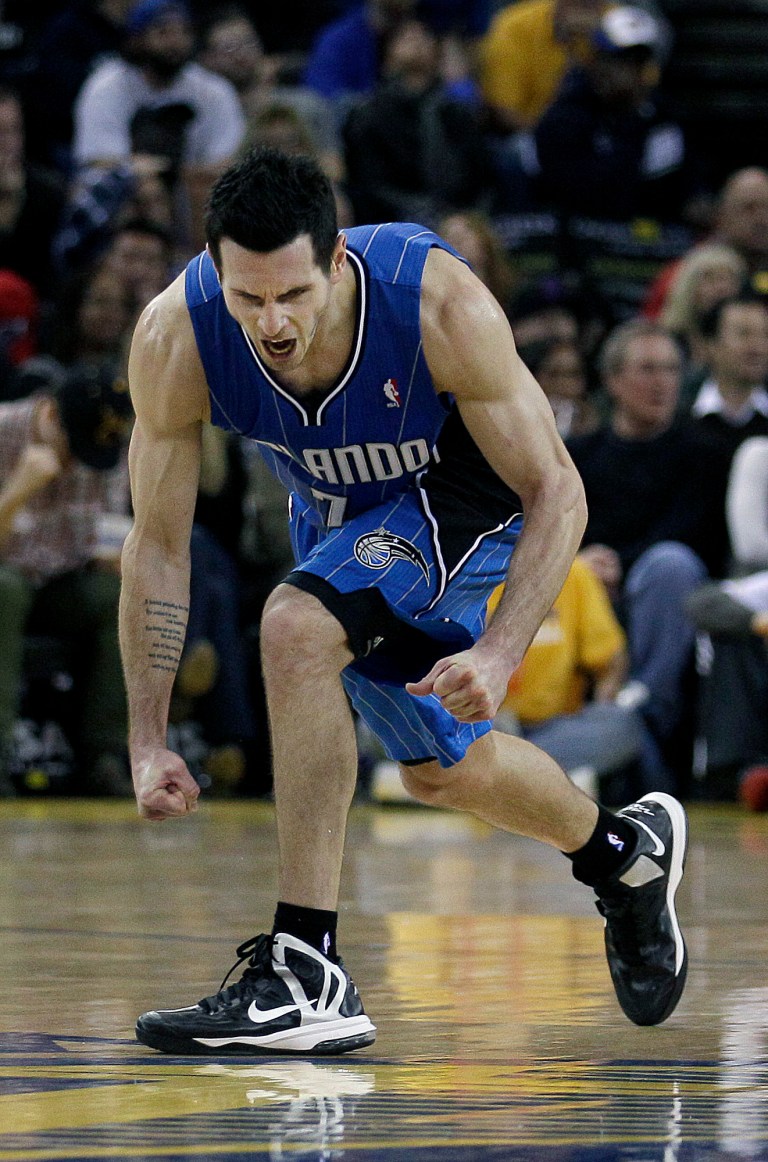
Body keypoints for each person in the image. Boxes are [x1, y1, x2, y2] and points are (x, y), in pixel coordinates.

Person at [120, 146, 689, 1056]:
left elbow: (559, 490)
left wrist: (502, 652)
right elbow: (155, 543)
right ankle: (624, 859)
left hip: (464, 493)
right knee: (441, 771)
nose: (271, 323)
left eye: (294, 296)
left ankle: (308, 971)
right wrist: (147, 738)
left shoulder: (437, 302)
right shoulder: (174, 336)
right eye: (247, 297)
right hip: (342, 525)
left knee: (296, 626)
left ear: (336, 259)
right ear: (214, 271)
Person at [566, 318, 731, 784]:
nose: (661, 382)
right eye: (647, 370)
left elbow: (697, 535)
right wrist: (579, 562)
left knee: (669, 565)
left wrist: (617, 562)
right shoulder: (578, 454)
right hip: (588, 589)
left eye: (671, 370)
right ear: (613, 380)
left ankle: (645, 709)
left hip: (666, 592)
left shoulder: (705, 451)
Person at [0, 363, 134, 795]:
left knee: (116, 597)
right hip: (9, 577)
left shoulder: (108, 451)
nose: (82, 460)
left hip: (62, 583)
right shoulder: (4, 431)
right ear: (52, 416)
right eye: (75, 447)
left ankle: (105, 755)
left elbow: (112, 534)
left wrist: (119, 557)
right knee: (6, 589)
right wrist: (18, 491)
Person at [489, 555, 660, 802]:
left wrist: (604, 701)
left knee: (623, 725)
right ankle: (543, 778)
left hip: (551, 730)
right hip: (480, 725)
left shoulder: (573, 572)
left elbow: (611, 660)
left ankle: (503, 775)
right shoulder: (458, 575)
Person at [690, 292, 768, 463]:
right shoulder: (679, 410)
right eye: (744, 334)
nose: (758, 347)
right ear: (710, 344)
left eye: (765, 335)